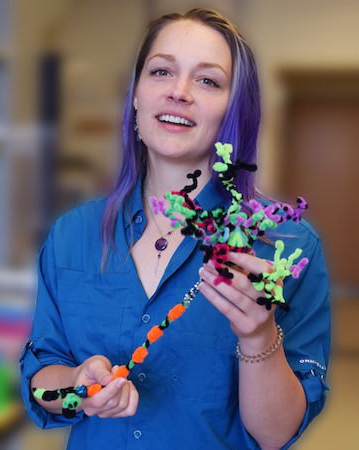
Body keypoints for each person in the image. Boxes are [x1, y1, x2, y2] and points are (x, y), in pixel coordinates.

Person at [20, 8, 330, 450]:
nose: (179, 92)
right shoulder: (72, 235)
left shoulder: (286, 248)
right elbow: (40, 380)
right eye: (161, 71)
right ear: (135, 96)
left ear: (235, 110)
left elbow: (276, 434)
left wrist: (259, 336)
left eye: (208, 80)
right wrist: (76, 387)